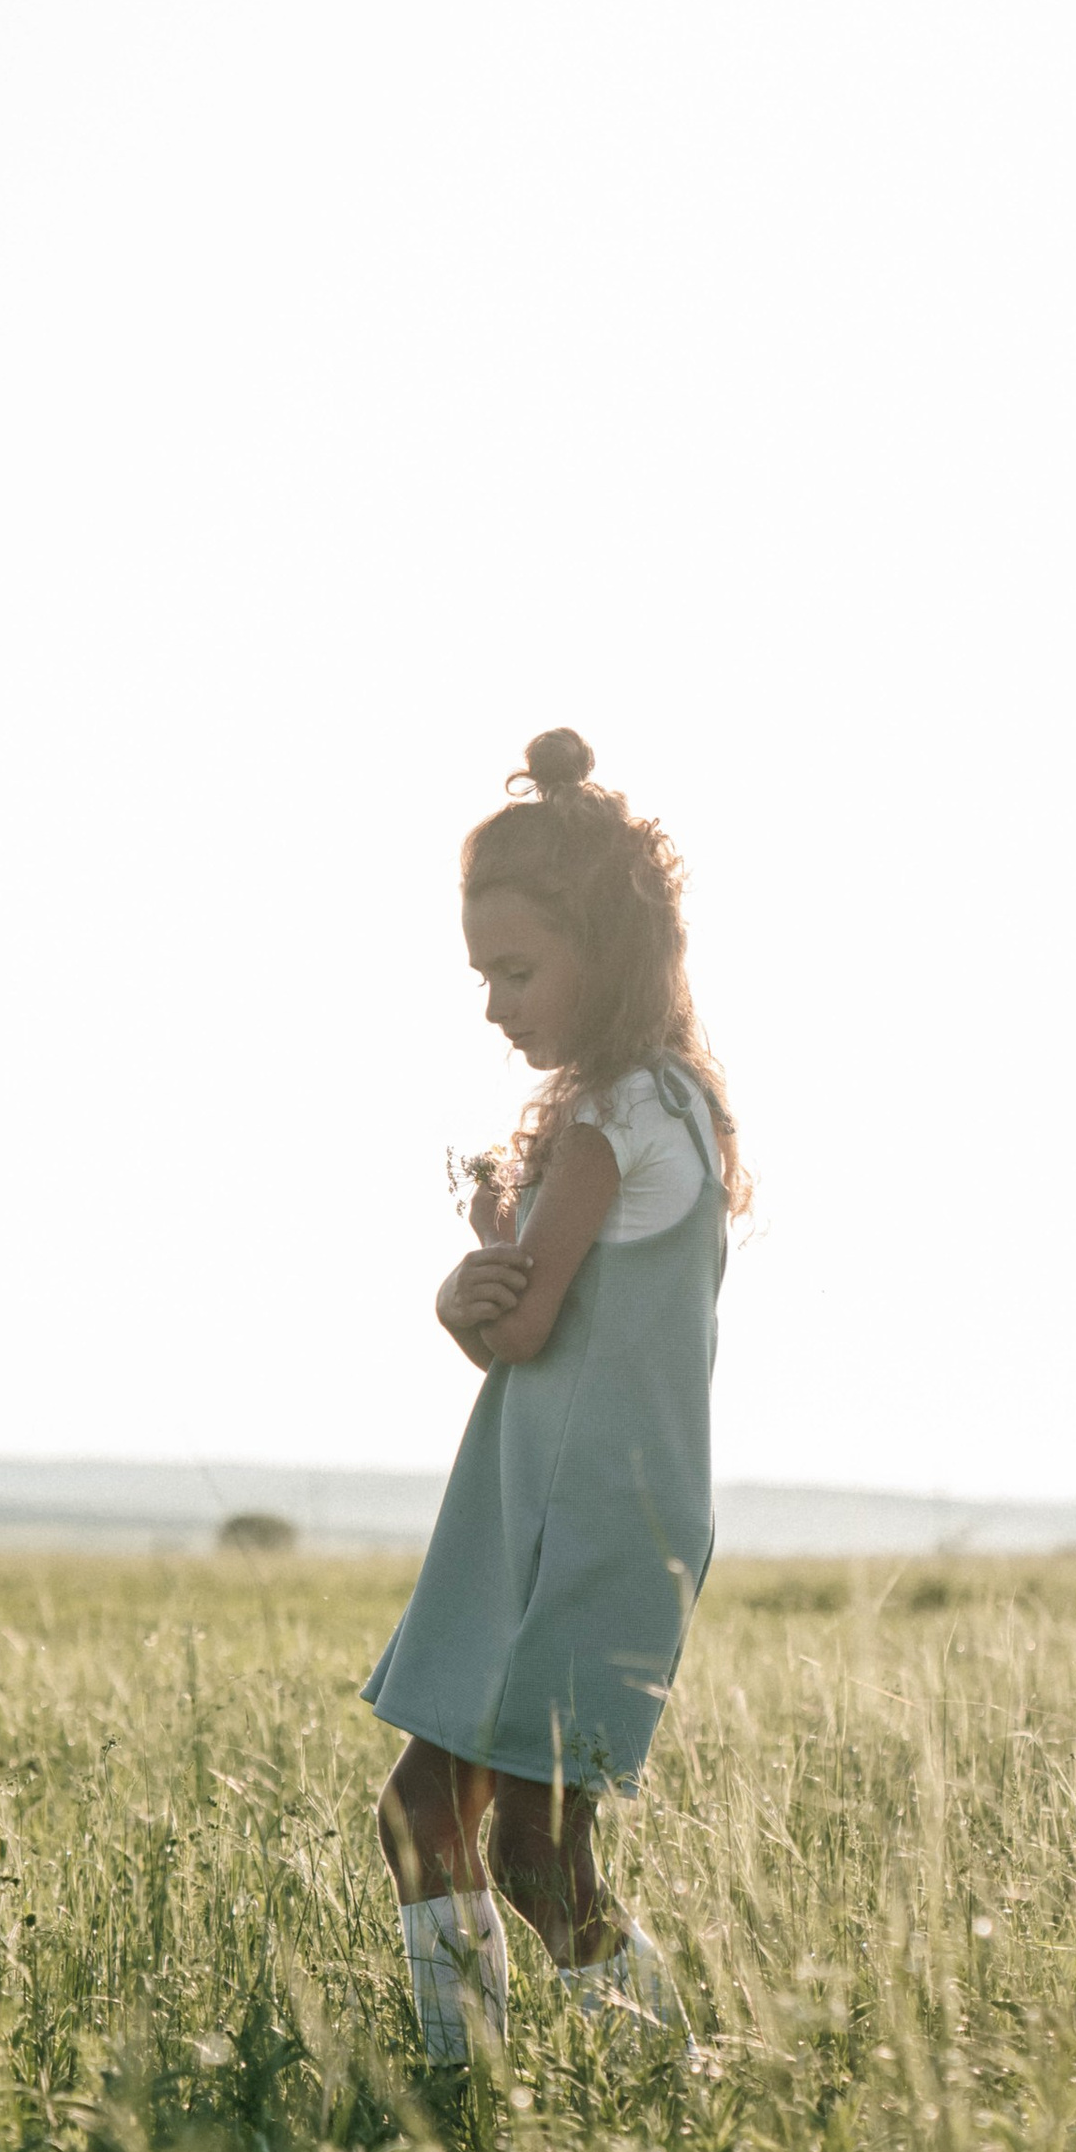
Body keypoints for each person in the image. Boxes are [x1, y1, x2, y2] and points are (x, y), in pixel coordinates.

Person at [362, 728, 750, 2059]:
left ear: (612, 951)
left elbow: (519, 1334)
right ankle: (540, 2082)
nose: (495, 1007)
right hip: (611, 1518)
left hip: (560, 1528)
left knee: (478, 1831)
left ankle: (629, 2077)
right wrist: (506, 1224)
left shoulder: (601, 1125)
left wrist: (463, 1285)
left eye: (515, 973)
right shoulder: (675, 1106)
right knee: (503, 1833)